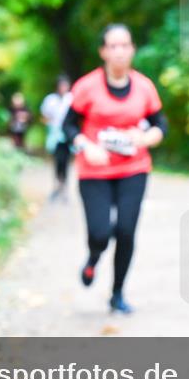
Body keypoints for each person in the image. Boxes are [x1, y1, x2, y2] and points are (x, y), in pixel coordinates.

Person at [62, 24, 166, 314]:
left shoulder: (144, 86)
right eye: (113, 46)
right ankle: (93, 258)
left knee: (126, 231)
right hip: (94, 172)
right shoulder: (86, 86)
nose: (120, 52)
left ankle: (117, 293)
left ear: (132, 49)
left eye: (125, 46)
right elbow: (68, 125)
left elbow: (160, 126)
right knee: (100, 232)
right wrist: (86, 146)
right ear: (103, 52)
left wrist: (144, 138)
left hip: (134, 169)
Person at [41, 75, 74, 202]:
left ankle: (64, 188)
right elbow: (44, 116)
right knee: (57, 161)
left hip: (66, 134)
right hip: (55, 134)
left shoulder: (71, 99)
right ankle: (57, 186)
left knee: (65, 161)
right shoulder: (50, 100)